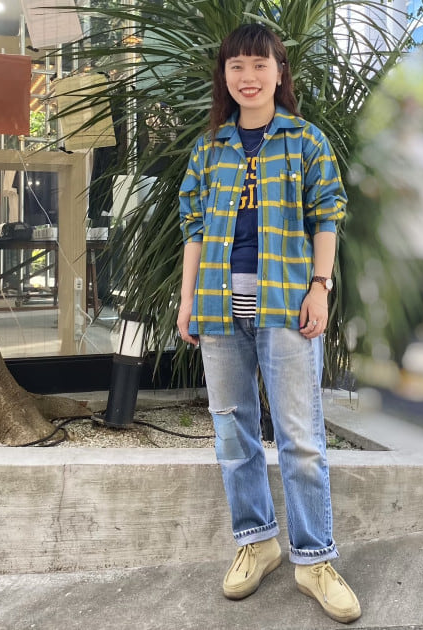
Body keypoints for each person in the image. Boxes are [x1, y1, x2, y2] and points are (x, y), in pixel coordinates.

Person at [177, 24, 361, 624]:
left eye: (260, 65)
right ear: (224, 77)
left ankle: (315, 559)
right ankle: (257, 543)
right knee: (233, 435)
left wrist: (320, 287)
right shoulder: (210, 148)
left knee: (300, 437)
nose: (248, 77)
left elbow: (327, 214)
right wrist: (187, 301)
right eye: (236, 66)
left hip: (286, 307)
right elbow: (194, 229)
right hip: (219, 310)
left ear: (280, 73)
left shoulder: (305, 140)